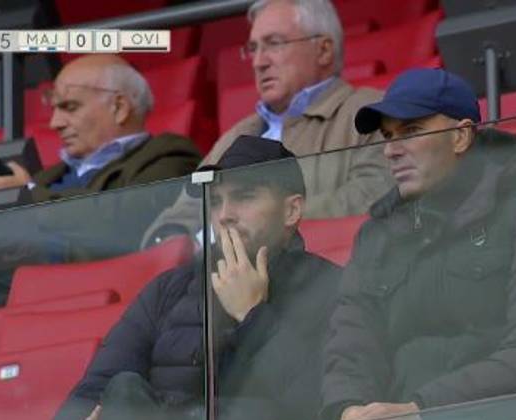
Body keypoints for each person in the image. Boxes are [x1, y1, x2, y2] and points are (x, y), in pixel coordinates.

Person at [321, 69, 516, 420]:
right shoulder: (377, 235)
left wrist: (420, 410)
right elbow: (350, 343)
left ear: (461, 136)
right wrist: (348, 409)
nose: (390, 150)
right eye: (387, 136)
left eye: (411, 132)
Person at [43, 136, 341, 420]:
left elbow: (316, 402)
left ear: (292, 210)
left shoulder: (333, 287)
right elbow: (96, 385)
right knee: (125, 391)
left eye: (244, 197)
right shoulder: (169, 289)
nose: (225, 215)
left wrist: (252, 314)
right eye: (215, 202)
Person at [142, 0, 392, 247]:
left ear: (324, 50)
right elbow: (180, 215)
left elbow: (371, 196)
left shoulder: (371, 111)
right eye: (253, 48)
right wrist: (173, 244)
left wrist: (258, 227)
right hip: (216, 277)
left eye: (274, 44)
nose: (258, 62)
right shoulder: (236, 135)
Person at [0, 54, 201, 202]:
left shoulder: (170, 156)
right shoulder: (45, 178)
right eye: (55, 109)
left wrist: (29, 195)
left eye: (70, 107)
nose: (55, 123)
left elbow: (126, 221)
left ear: (119, 107)